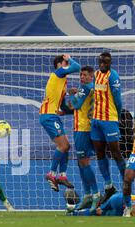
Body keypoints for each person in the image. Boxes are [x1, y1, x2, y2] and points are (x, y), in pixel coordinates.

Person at [39, 54, 81, 192]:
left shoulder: (62, 83)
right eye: (65, 62)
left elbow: (63, 107)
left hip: (54, 116)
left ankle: (62, 176)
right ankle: (51, 174)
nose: (67, 64)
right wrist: (69, 58)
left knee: (66, 146)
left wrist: (74, 105)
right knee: (63, 146)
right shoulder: (58, 73)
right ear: (59, 64)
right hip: (48, 115)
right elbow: (77, 67)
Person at [91, 52, 126, 204]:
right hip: (96, 121)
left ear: (110, 62)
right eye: (101, 61)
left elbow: (118, 99)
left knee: (116, 151)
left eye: (106, 61)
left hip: (110, 119)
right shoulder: (96, 74)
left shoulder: (113, 76)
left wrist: (118, 116)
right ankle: (108, 186)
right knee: (99, 152)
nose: (103, 64)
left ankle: (127, 182)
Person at [68, 65, 100, 211]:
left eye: (85, 75)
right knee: (81, 162)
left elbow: (74, 104)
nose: (82, 77)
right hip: (82, 127)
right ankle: (87, 195)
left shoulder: (86, 88)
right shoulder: (91, 88)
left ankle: (95, 194)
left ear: (91, 76)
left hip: (84, 129)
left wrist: (71, 94)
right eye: (81, 75)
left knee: (85, 162)